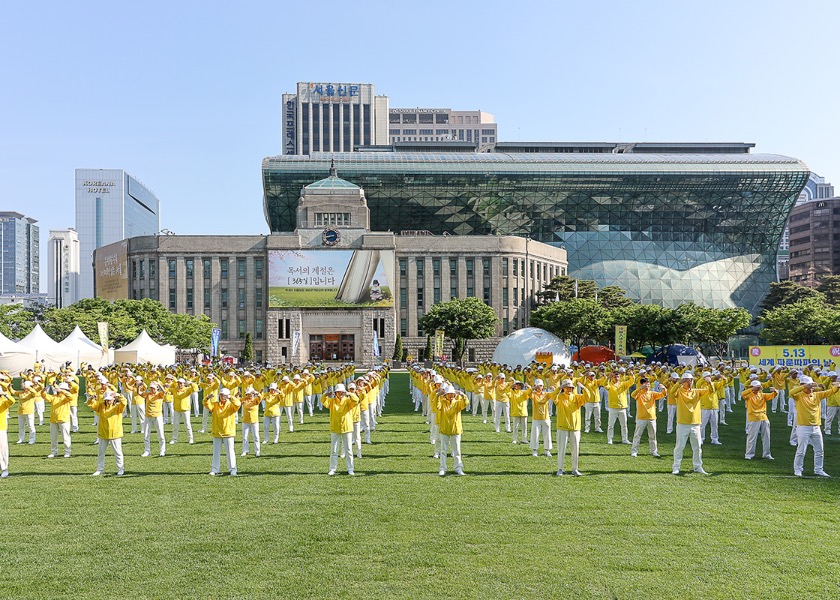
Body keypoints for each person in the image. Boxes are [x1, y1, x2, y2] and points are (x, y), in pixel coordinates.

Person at [791, 376, 838, 477]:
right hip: (803, 427)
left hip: (816, 427)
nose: (811, 387)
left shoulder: (817, 395)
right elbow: (791, 392)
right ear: (803, 385)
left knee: (819, 450)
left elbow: (831, 392)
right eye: (809, 385)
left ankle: (819, 469)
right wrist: (804, 387)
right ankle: (798, 469)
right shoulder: (799, 396)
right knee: (801, 450)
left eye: (812, 385)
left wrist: (837, 386)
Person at [672, 372, 714, 475]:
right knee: (679, 447)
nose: (689, 382)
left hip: (695, 424)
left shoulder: (697, 391)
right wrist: (679, 383)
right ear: (683, 382)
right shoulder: (679, 392)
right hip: (682, 423)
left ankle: (698, 466)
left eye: (691, 380)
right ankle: (676, 467)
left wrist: (709, 382)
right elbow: (672, 391)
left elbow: (711, 391)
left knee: (697, 447)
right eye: (687, 380)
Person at [552, 378, 592, 476]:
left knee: (575, 449)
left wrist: (583, 387)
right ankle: (560, 469)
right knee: (562, 448)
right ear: (563, 388)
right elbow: (553, 396)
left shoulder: (576, 397)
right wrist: (559, 388)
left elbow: (587, 397)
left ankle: (575, 469)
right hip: (562, 427)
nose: (569, 389)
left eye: (570, 387)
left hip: (575, 427)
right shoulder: (560, 397)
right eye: (567, 387)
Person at [87, 390, 127, 476]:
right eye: (107, 399)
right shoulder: (101, 406)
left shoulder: (117, 407)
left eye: (110, 399)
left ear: (113, 399)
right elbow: (91, 405)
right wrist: (92, 398)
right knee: (101, 452)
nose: (108, 401)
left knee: (118, 452)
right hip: (103, 433)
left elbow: (124, 402)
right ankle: (100, 469)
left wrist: (119, 395)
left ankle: (120, 469)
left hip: (115, 433)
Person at [205, 388, 241, 476]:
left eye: (224, 395)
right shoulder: (216, 405)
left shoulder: (231, 405)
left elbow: (238, 403)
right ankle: (215, 469)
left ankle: (233, 469)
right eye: (221, 395)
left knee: (230, 452)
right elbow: (206, 404)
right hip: (217, 431)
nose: (222, 397)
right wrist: (207, 398)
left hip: (228, 432)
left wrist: (230, 397)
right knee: (216, 452)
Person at [322, 383, 355, 476]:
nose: (340, 394)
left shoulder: (348, 401)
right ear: (335, 393)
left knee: (348, 449)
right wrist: (326, 394)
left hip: (347, 427)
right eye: (338, 392)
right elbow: (323, 400)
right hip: (335, 428)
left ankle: (350, 468)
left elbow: (356, 400)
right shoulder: (332, 401)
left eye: (341, 392)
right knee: (334, 450)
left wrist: (349, 394)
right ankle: (332, 469)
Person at [436, 384, 468, 476]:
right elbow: (436, 405)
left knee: (457, 450)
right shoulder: (442, 402)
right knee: (443, 450)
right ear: (445, 395)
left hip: (456, 430)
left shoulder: (457, 402)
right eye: (448, 394)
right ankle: (442, 468)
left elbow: (466, 403)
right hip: (445, 429)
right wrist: (438, 395)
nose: (450, 396)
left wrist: (462, 394)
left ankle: (458, 468)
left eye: (452, 394)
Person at [629, 377, 665, 458]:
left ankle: (654, 451)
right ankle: (634, 451)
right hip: (641, 418)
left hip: (651, 418)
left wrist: (664, 389)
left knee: (653, 436)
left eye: (648, 384)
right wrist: (639, 388)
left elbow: (662, 395)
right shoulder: (639, 393)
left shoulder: (652, 393)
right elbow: (632, 394)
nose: (647, 385)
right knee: (637, 435)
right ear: (642, 385)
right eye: (645, 384)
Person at [742, 380, 777, 461]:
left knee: (767, 437)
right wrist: (752, 389)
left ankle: (767, 454)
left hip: (764, 417)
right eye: (756, 387)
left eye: (759, 387)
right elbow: (742, 394)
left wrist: (775, 391)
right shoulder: (748, 395)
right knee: (752, 437)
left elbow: (773, 395)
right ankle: (749, 454)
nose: (758, 388)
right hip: (753, 418)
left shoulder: (762, 395)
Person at [43, 382, 73, 458]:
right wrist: (43, 391)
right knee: (53, 438)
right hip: (53, 420)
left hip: (63, 420)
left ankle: (67, 452)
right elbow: (45, 396)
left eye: (61, 389)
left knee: (65, 437)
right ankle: (54, 452)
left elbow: (70, 396)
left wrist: (62, 390)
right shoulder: (54, 397)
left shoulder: (65, 398)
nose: (58, 390)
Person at [603, 370, 634, 444]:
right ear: (612, 377)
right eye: (614, 376)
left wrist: (632, 375)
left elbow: (631, 381)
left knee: (624, 425)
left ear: (619, 377)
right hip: (613, 407)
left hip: (622, 407)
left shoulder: (623, 384)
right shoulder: (610, 385)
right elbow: (604, 384)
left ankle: (625, 439)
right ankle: (610, 439)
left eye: (617, 376)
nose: (616, 378)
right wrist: (608, 378)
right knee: (611, 425)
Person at [141, 382, 166, 458]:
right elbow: (139, 393)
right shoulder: (148, 394)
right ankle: (147, 451)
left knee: (161, 435)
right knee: (146, 435)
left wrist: (159, 384)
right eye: (151, 388)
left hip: (157, 416)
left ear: (157, 388)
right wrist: (139, 386)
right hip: (148, 416)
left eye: (153, 388)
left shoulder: (159, 394)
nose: (152, 389)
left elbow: (164, 392)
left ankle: (162, 450)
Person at [170, 378, 197, 445]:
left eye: (181, 383)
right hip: (177, 410)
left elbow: (195, 388)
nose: (180, 384)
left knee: (187, 425)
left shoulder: (187, 389)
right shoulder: (175, 390)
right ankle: (174, 439)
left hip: (185, 410)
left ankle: (191, 439)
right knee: (175, 425)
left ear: (184, 384)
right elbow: (167, 390)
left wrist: (191, 383)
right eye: (179, 383)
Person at [529, 379, 553, 457]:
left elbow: (555, 394)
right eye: (538, 385)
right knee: (535, 434)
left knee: (547, 434)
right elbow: (527, 393)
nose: (540, 387)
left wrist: (554, 389)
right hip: (536, 418)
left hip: (545, 417)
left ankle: (547, 450)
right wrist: (533, 388)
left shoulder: (546, 394)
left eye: (541, 386)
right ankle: (534, 450)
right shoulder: (533, 394)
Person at [240, 387, 261, 458]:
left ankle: (257, 451)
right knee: (245, 437)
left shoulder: (256, 400)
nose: (250, 395)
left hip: (254, 421)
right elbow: (237, 401)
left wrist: (256, 392)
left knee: (256, 437)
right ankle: (245, 450)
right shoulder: (244, 400)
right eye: (249, 394)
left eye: (251, 394)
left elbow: (260, 397)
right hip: (245, 421)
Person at [509, 380, 530, 445]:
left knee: (524, 426)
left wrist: (529, 387)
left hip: (523, 411)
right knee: (515, 426)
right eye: (516, 384)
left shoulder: (523, 392)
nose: (518, 386)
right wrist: (510, 386)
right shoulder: (511, 392)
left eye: (519, 384)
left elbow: (529, 392)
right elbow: (506, 392)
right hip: (515, 411)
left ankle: (524, 439)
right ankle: (514, 439)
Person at [0, 388, 15, 477]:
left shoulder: (3, 402)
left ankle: (5, 469)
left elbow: (12, 401)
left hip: (1, 428)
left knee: (2, 449)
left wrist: (4, 393)